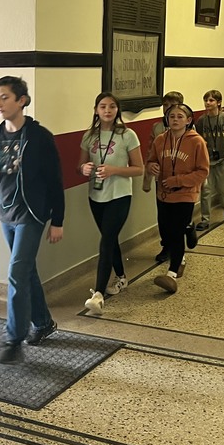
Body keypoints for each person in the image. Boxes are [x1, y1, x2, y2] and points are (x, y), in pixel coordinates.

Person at [0, 76, 64, 365]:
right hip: (7, 214)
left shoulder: (39, 137)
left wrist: (58, 220)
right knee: (26, 271)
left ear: (22, 100)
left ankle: (13, 338)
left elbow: (55, 181)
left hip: (32, 213)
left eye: (4, 97)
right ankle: (43, 322)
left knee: (16, 272)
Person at [77, 92, 143, 315]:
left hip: (120, 195)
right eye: (103, 106)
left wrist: (115, 170)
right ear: (96, 110)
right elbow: (80, 166)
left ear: (118, 110)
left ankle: (97, 295)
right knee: (109, 237)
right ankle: (122, 277)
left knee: (106, 240)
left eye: (112, 107)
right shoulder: (89, 136)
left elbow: (139, 168)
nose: (107, 110)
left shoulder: (128, 135)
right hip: (96, 196)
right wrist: (84, 169)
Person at [145, 104, 208, 294]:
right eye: (171, 116)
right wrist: (152, 167)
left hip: (186, 193)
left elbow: (203, 171)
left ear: (188, 121)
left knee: (175, 231)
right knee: (166, 228)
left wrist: (178, 180)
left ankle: (172, 273)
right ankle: (188, 227)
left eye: (180, 116)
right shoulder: (160, 140)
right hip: (164, 193)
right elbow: (151, 160)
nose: (175, 119)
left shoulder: (197, 142)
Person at [142, 91, 185, 262]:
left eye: (172, 106)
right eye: (165, 106)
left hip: (181, 179)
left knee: (180, 215)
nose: (167, 110)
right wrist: (148, 174)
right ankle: (166, 245)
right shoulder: (157, 128)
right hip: (162, 179)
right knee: (164, 215)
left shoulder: (188, 127)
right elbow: (151, 153)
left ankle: (184, 234)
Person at [194, 89, 224, 229]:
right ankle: (205, 219)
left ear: (218, 102)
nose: (207, 103)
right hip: (207, 160)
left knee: (223, 189)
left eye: (211, 100)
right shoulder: (202, 121)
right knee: (206, 190)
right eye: (206, 100)